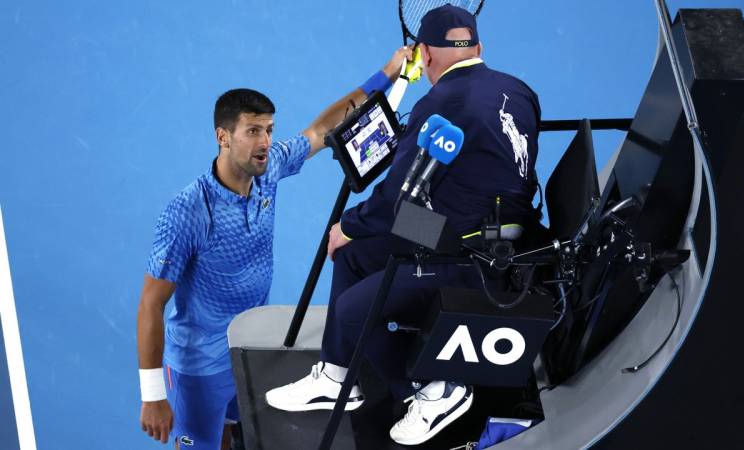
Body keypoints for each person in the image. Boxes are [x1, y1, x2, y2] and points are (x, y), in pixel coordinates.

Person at [265, 4, 544, 446]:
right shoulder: (520, 90)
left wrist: (349, 225)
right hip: (499, 231)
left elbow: (395, 202)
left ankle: (435, 392)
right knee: (357, 256)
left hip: (465, 248)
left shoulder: (441, 103)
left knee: (355, 302)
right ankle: (337, 376)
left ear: (426, 57)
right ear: (477, 46)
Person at [136, 47, 413, 450]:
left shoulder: (269, 170)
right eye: (253, 131)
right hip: (200, 370)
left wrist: (387, 74)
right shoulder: (189, 211)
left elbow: (323, 129)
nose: (265, 141)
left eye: (268, 129)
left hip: (248, 345)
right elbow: (150, 304)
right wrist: (152, 394)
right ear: (223, 136)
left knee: (238, 430)